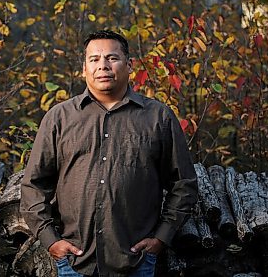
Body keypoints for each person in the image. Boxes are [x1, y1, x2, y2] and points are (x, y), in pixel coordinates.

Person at [20, 30, 198, 277]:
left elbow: (184, 183)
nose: (102, 66)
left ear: (129, 65)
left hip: (136, 261)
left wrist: (162, 237)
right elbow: (34, 185)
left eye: (112, 58)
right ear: (84, 68)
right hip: (74, 262)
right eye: (94, 59)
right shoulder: (59, 118)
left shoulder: (158, 117)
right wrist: (51, 240)